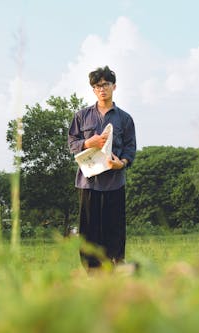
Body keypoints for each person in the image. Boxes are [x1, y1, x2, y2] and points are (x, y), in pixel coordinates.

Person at [68, 65, 136, 270]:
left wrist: (121, 163)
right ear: (93, 90)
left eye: (106, 84)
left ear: (114, 87)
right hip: (88, 182)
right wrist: (89, 143)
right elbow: (72, 143)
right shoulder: (81, 116)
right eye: (97, 86)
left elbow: (130, 148)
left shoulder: (124, 118)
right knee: (89, 230)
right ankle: (91, 272)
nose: (102, 89)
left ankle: (115, 267)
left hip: (114, 182)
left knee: (114, 229)